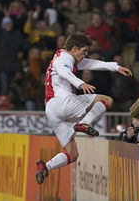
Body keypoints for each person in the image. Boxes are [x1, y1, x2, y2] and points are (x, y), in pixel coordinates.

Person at [35, 32, 132, 184]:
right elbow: (64, 73)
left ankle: (45, 167)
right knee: (107, 100)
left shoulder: (67, 57)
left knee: (72, 154)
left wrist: (115, 67)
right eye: (84, 50)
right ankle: (84, 123)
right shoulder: (63, 58)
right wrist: (80, 84)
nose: (86, 54)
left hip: (53, 111)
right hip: (62, 103)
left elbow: (92, 63)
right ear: (74, 48)